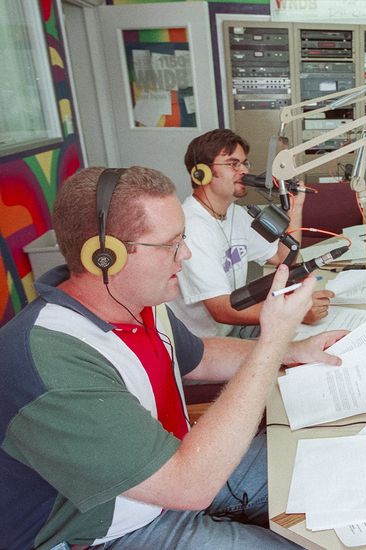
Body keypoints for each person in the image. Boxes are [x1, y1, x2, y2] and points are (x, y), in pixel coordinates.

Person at [0, 166, 345, 549]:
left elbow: (200, 356)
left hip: (176, 468)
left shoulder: (139, 303)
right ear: (105, 256)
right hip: (112, 530)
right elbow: (189, 486)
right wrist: (270, 343)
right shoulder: (51, 358)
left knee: (324, 473)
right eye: (172, 244)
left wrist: (292, 350)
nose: (187, 254)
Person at [170, 129, 334, 338]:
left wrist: (296, 208)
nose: (244, 171)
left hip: (232, 328)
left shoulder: (235, 214)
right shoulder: (192, 228)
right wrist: (295, 312)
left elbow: (283, 257)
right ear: (201, 173)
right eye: (233, 164)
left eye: (244, 163)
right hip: (206, 344)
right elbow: (222, 309)